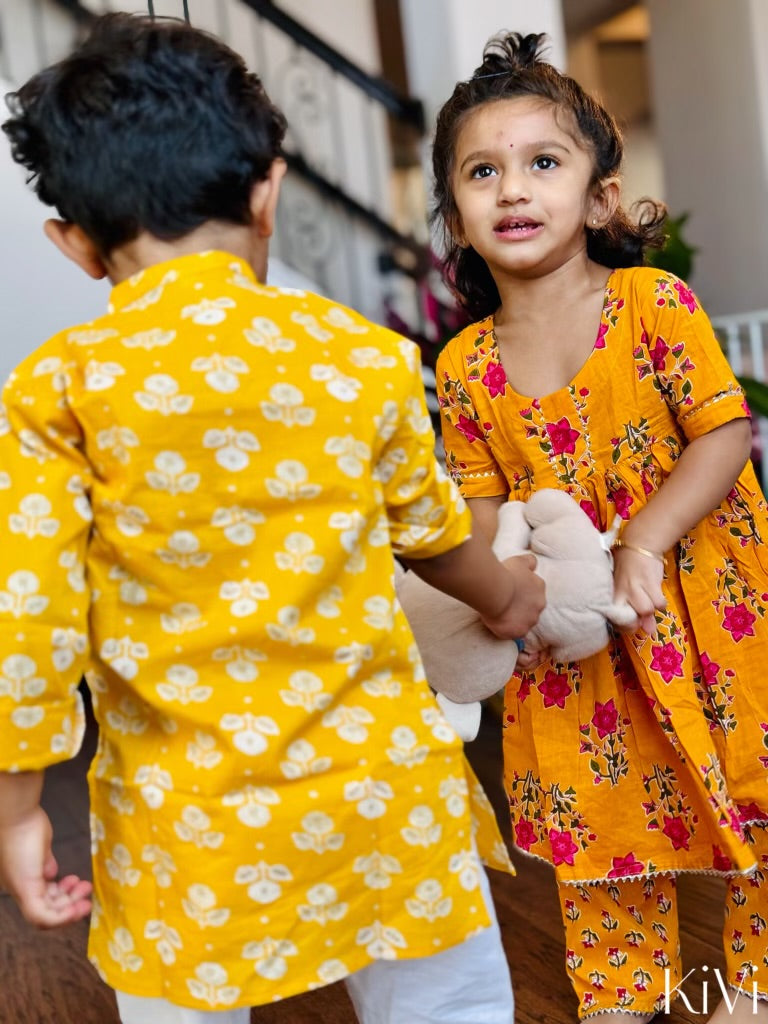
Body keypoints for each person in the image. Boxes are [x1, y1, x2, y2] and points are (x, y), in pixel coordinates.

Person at [0, 14, 548, 1024]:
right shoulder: (358, 356)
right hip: (378, 793)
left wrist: (20, 807)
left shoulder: (59, 390)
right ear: (268, 191)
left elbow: (27, 621)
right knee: (446, 1000)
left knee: (180, 1002)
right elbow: (433, 538)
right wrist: (511, 594)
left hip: (187, 822)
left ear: (73, 244)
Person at [431, 30, 768, 1024]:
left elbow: (724, 433)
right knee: (606, 833)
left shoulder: (652, 304)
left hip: (710, 612)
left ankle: (746, 991)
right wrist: (482, 597)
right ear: (456, 216)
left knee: (755, 791)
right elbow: (480, 508)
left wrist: (644, 540)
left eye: (543, 162)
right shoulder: (464, 369)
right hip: (578, 652)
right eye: (483, 172)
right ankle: (621, 999)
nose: (512, 189)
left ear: (602, 196)